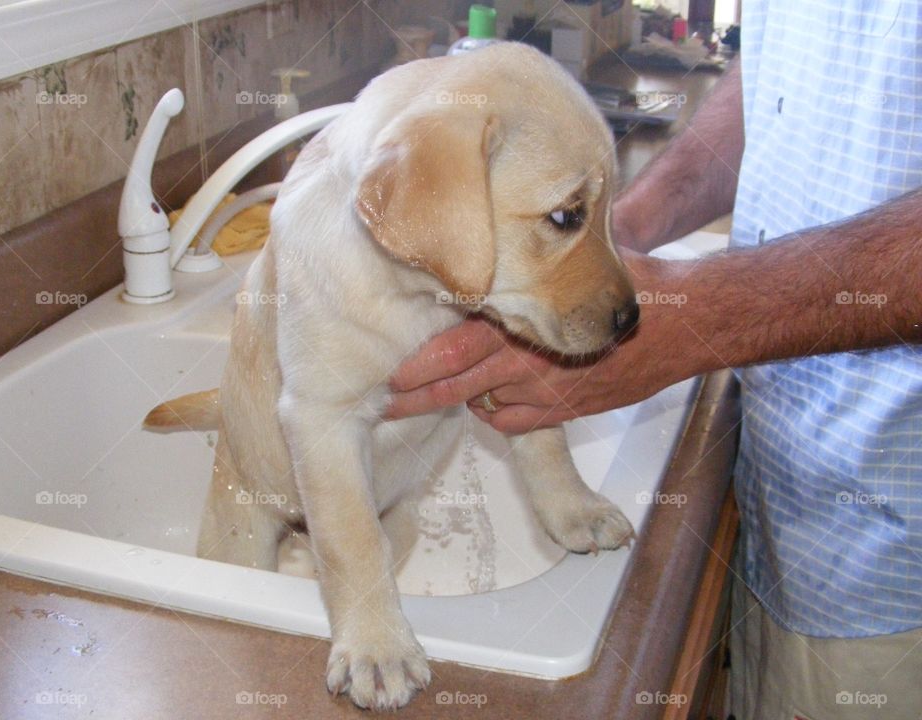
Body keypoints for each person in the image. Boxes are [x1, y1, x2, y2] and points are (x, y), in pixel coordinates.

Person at [386, 3, 922, 719]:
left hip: (893, 553)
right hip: (790, 497)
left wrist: (700, 316)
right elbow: (781, 69)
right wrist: (611, 234)